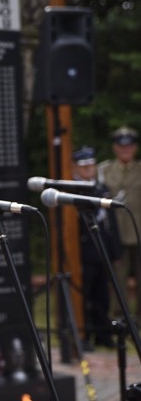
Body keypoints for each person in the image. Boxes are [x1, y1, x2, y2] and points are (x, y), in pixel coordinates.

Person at [72, 146, 121, 349]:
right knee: (85, 295)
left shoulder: (102, 187)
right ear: (75, 167)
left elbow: (111, 222)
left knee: (103, 295)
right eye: (84, 166)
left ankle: (103, 334)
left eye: (91, 164)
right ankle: (84, 334)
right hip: (84, 252)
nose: (88, 169)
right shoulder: (72, 190)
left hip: (103, 250)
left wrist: (115, 250)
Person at [99, 125, 141, 320]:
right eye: (121, 145)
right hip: (115, 233)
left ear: (135, 147)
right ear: (115, 147)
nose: (125, 149)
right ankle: (120, 317)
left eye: (129, 145)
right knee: (118, 277)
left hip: (139, 230)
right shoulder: (104, 170)